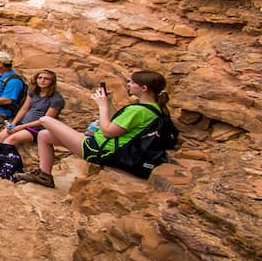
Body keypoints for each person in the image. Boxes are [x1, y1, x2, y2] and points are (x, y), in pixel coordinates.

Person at [12, 70, 171, 189]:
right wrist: (108, 103)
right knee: (45, 135)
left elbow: (108, 130)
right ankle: (44, 175)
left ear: (143, 88)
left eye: (132, 82)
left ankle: (43, 174)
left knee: (46, 120)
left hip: (99, 149)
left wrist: (101, 106)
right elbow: (117, 124)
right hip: (107, 148)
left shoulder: (138, 110)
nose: (128, 85)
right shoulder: (153, 109)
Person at [0, 70, 65, 161]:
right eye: (40, 78)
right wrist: (14, 123)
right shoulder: (33, 92)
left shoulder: (56, 99)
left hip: (36, 128)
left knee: (11, 139)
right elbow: (24, 108)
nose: (42, 80)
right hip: (22, 123)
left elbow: (45, 121)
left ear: (52, 82)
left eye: (46, 79)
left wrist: (21, 127)